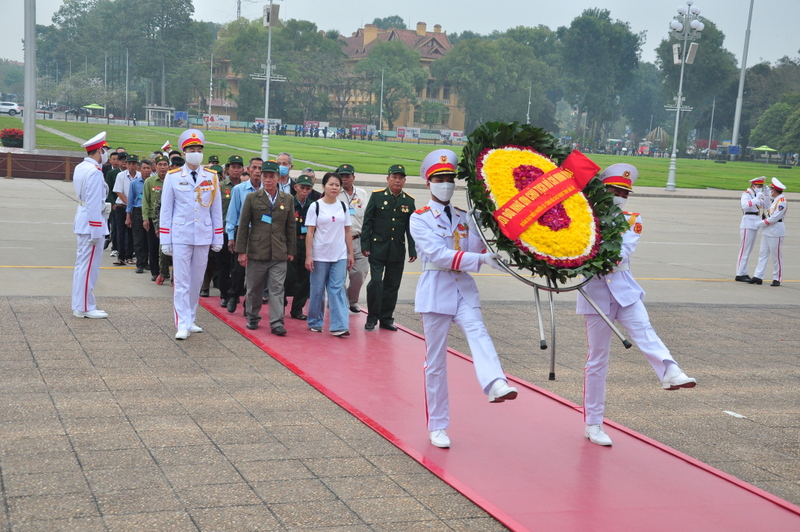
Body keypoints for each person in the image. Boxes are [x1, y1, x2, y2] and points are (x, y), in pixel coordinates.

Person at [577, 163, 697, 447]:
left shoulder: (632, 219)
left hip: (624, 289)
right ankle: (593, 424)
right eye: (615, 190)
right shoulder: (581, 218)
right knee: (597, 361)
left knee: (645, 330)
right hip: (595, 294)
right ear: (602, 190)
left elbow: (619, 253)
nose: (620, 196)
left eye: (624, 192)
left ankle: (670, 372)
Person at [409, 149, 518, 449]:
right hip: (435, 289)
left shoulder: (463, 216)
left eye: (449, 178)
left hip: (463, 288)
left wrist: (493, 252)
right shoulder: (419, 219)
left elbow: (476, 246)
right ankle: (438, 425)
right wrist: (480, 260)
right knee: (435, 362)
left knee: (479, 333)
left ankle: (496, 382)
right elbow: (438, 255)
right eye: (439, 179)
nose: (446, 183)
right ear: (428, 183)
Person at [159, 129, 224, 340]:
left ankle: (191, 318)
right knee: (181, 281)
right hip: (180, 234)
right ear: (184, 153)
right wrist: (165, 240)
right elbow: (166, 210)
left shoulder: (211, 177)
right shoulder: (173, 176)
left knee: (196, 281)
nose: (196, 153)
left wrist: (218, 237)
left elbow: (216, 210)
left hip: (203, 235)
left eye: (199, 149)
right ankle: (181, 323)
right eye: (191, 149)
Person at [235, 160, 296, 334]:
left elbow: (290, 226)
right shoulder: (252, 198)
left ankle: (277, 322)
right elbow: (244, 224)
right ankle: (252, 316)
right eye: (265, 176)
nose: (268, 180)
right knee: (254, 288)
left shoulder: (287, 199)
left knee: (277, 289)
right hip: (256, 251)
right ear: (261, 177)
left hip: (278, 252)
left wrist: (291, 251)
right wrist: (242, 252)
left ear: (278, 178)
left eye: (272, 177)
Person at [361, 164, 417, 331]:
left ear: (404, 180)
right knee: (376, 283)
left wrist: (412, 249)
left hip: (397, 250)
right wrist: (365, 244)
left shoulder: (409, 201)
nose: (397, 180)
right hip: (377, 248)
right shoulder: (377, 197)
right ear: (388, 179)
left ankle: (386, 318)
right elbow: (368, 221)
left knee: (392, 285)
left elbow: (411, 228)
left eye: (400, 178)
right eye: (394, 177)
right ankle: (372, 317)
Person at [305, 172, 354, 337]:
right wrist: (308, 255)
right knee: (318, 290)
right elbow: (310, 232)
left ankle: (339, 325)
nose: (334, 187)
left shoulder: (343, 206)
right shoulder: (315, 206)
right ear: (324, 186)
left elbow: (347, 230)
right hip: (319, 255)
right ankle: (315, 322)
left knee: (337, 289)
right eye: (331, 184)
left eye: (337, 185)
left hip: (339, 255)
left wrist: (350, 253)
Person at [71, 132, 111, 319]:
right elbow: (94, 203)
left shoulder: (81, 167)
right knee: (88, 268)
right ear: (100, 150)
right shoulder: (94, 172)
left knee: (82, 266)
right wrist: (97, 230)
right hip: (91, 223)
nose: (106, 154)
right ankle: (85, 307)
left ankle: (82, 304)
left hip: (83, 219)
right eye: (105, 150)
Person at [225, 157, 262, 313]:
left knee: (257, 271)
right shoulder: (239, 189)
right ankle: (233, 296)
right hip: (243, 231)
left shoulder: (267, 189)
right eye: (254, 167)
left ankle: (250, 300)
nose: (258, 171)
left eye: (260, 168)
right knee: (239, 269)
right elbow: (232, 214)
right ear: (248, 169)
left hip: (261, 232)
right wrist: (231, 236)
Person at [336, 164, 369, 313]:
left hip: (359, 240)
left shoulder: (361, 193)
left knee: (360, 274)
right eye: (341, 176)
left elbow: (368, 218)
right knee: (339, 275)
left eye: (347, 176)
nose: (344, 179)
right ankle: (338, 301)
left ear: (353, 177)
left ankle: (352, 300)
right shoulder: (335, 193)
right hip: (340, 240)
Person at [749, 177, 788, 286]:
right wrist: (765, 196)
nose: (770, 191)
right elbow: (766, 208)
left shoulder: (782, 202)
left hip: (776, 231)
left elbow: (774, 218)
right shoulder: (774, 200)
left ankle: (777, 278)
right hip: (767, 231)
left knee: (776, 256)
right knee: (762, 254)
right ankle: (758, 276)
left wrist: (760, 223)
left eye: (771, 189)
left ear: (775, 190)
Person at [286, 174, 315, 320]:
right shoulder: (288, 203)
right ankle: (282, 298)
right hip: (292, 242)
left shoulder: (313, 205)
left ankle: (297, 309)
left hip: (307, 244)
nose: (304, 191)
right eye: (302, 187)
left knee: (304, 279)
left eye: (307, 188)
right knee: (289, 277)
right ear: (296, 187)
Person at [217, 155, 244, 307]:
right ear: (227, 169)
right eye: (233, 167)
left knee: (238, 266)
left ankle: (235, 292)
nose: (236, 170)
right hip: (223, 231)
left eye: (238, 167)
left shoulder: (245, 187)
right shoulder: (220, 186)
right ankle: (224, 294)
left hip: (239, 231)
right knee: (223, 265)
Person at [735, 177, 767, 282]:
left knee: (748, 250)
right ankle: (739, 273)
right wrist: (756, 199)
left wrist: (766, 196)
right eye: (758, 186)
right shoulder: (746, 194)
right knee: (744, 249)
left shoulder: (754, 195)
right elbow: (745, 206)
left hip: (754, 223)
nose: (760, 188)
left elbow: (766, 205)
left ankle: (744, 272)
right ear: (753, 185)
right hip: (747, 222)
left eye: (761, 186)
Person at [143, 155, 168, 281]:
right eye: (160, 165)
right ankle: (155, 271)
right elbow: (146, 201)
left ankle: (166, 271)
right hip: (155, 219)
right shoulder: (150, 181)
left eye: (165, 164)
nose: (162, 167)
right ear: (155, 166)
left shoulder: (171, 180)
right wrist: (145, 218)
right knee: (153, 246)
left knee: (167, 247)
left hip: (168, 219)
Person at [112, 154, 139, 265]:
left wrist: (133, 206)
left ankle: (129, 256)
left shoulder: (140, 176)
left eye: (134, 164)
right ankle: (121, 256)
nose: (131, 166)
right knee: (121, 232)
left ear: (137, 165)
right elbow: (119, 192)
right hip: (122, 207)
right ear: (126, 164)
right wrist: (129, 205)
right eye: (129, 163)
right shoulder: (121, 175)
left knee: (132, 233)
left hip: (135, 208)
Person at [126, 158, 150, 274]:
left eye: (148, 168)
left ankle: (147, 262)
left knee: (148, 239)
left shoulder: (153, 182)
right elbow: (130, 200)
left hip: (150, 213)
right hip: (137, 211)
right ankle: (140, 264)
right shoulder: (134, 183)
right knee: (138, 239)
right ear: (140, 169)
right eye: (144, 168)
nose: (146, 170)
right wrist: (128, 216)